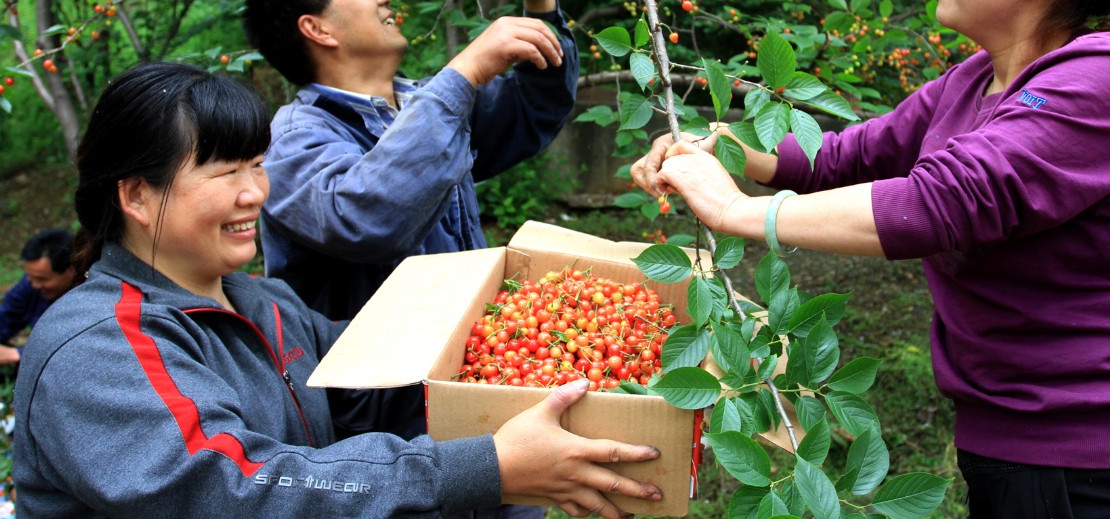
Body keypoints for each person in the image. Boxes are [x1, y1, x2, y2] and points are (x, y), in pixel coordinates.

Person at [632, 0, 1110, 518]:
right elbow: (843, 154)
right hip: (1018, 447)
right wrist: (727, 149)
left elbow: (940, 202)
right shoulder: (974, 81)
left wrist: (738, 211)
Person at [12, 62, 661, 519]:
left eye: (258, 164)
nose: (255, 193)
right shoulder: (98, 346)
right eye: (225, 171)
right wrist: (484, 466)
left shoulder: (264, 304)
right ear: (135, 194)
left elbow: (383, 394)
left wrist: (559, 392)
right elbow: (242, 489)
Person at [242, 0, 579, 323]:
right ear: (318, 29)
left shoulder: (423, 104)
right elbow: (366, 220)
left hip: (460, 362)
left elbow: (534, 108)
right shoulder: (293, 140)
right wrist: (466, 70)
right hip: (375, 385)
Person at [0, 229, 75, 366]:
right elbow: (7, 316)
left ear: (71, 271)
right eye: (30, 277)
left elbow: (75, 347)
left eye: (42, 279)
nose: (35, 285)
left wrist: (18, 354)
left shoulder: (88, 299)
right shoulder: (30, 286)